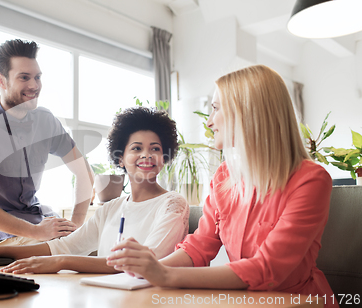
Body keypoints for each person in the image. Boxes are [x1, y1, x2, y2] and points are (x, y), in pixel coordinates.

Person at [107, 65, 339, 307]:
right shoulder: (224, 176)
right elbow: (198, 247)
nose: (209, 122)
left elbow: (267, 269)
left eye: (215, 109)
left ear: (247, 113)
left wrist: (163, 274)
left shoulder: (311, 179)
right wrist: (147, 269)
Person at [0, 106, 189, 274]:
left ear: (164, 156)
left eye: (155, 148)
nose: (147, 154)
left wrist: (61, 262)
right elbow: (65, 245)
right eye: (136, 148)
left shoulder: (173, 204)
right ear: (120, 158)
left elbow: (147, 262)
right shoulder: (112, 208)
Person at [0, 39, 94, 246]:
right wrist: (36, 232)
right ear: (1, 81)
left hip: (42, 222)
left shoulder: (46, 121)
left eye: (37, 77)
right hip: (3, 233)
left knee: (103, 247)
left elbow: (84, 172)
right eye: (24, 77)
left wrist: (75, 225)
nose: (34, 85)